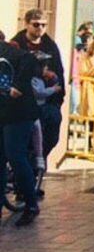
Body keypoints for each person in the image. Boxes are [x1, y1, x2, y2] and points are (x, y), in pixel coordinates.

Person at [11, 9, 65, 164]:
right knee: (26, 140)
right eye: (36, 24)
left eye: (43, 25)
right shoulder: (16, 45)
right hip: (23, 103)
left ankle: (38, 164)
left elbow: (59, 71)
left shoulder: (50, 46)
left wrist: (57, 99)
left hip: (47, 102)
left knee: (51, 135)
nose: (40, 28)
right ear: (26, 24)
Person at [0, 32, 42, 226]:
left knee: (16, 157)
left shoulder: (6, 51)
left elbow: (29, 59)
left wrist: (18, 86)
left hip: (18, 113)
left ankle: (31, 205)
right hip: (5, 112)